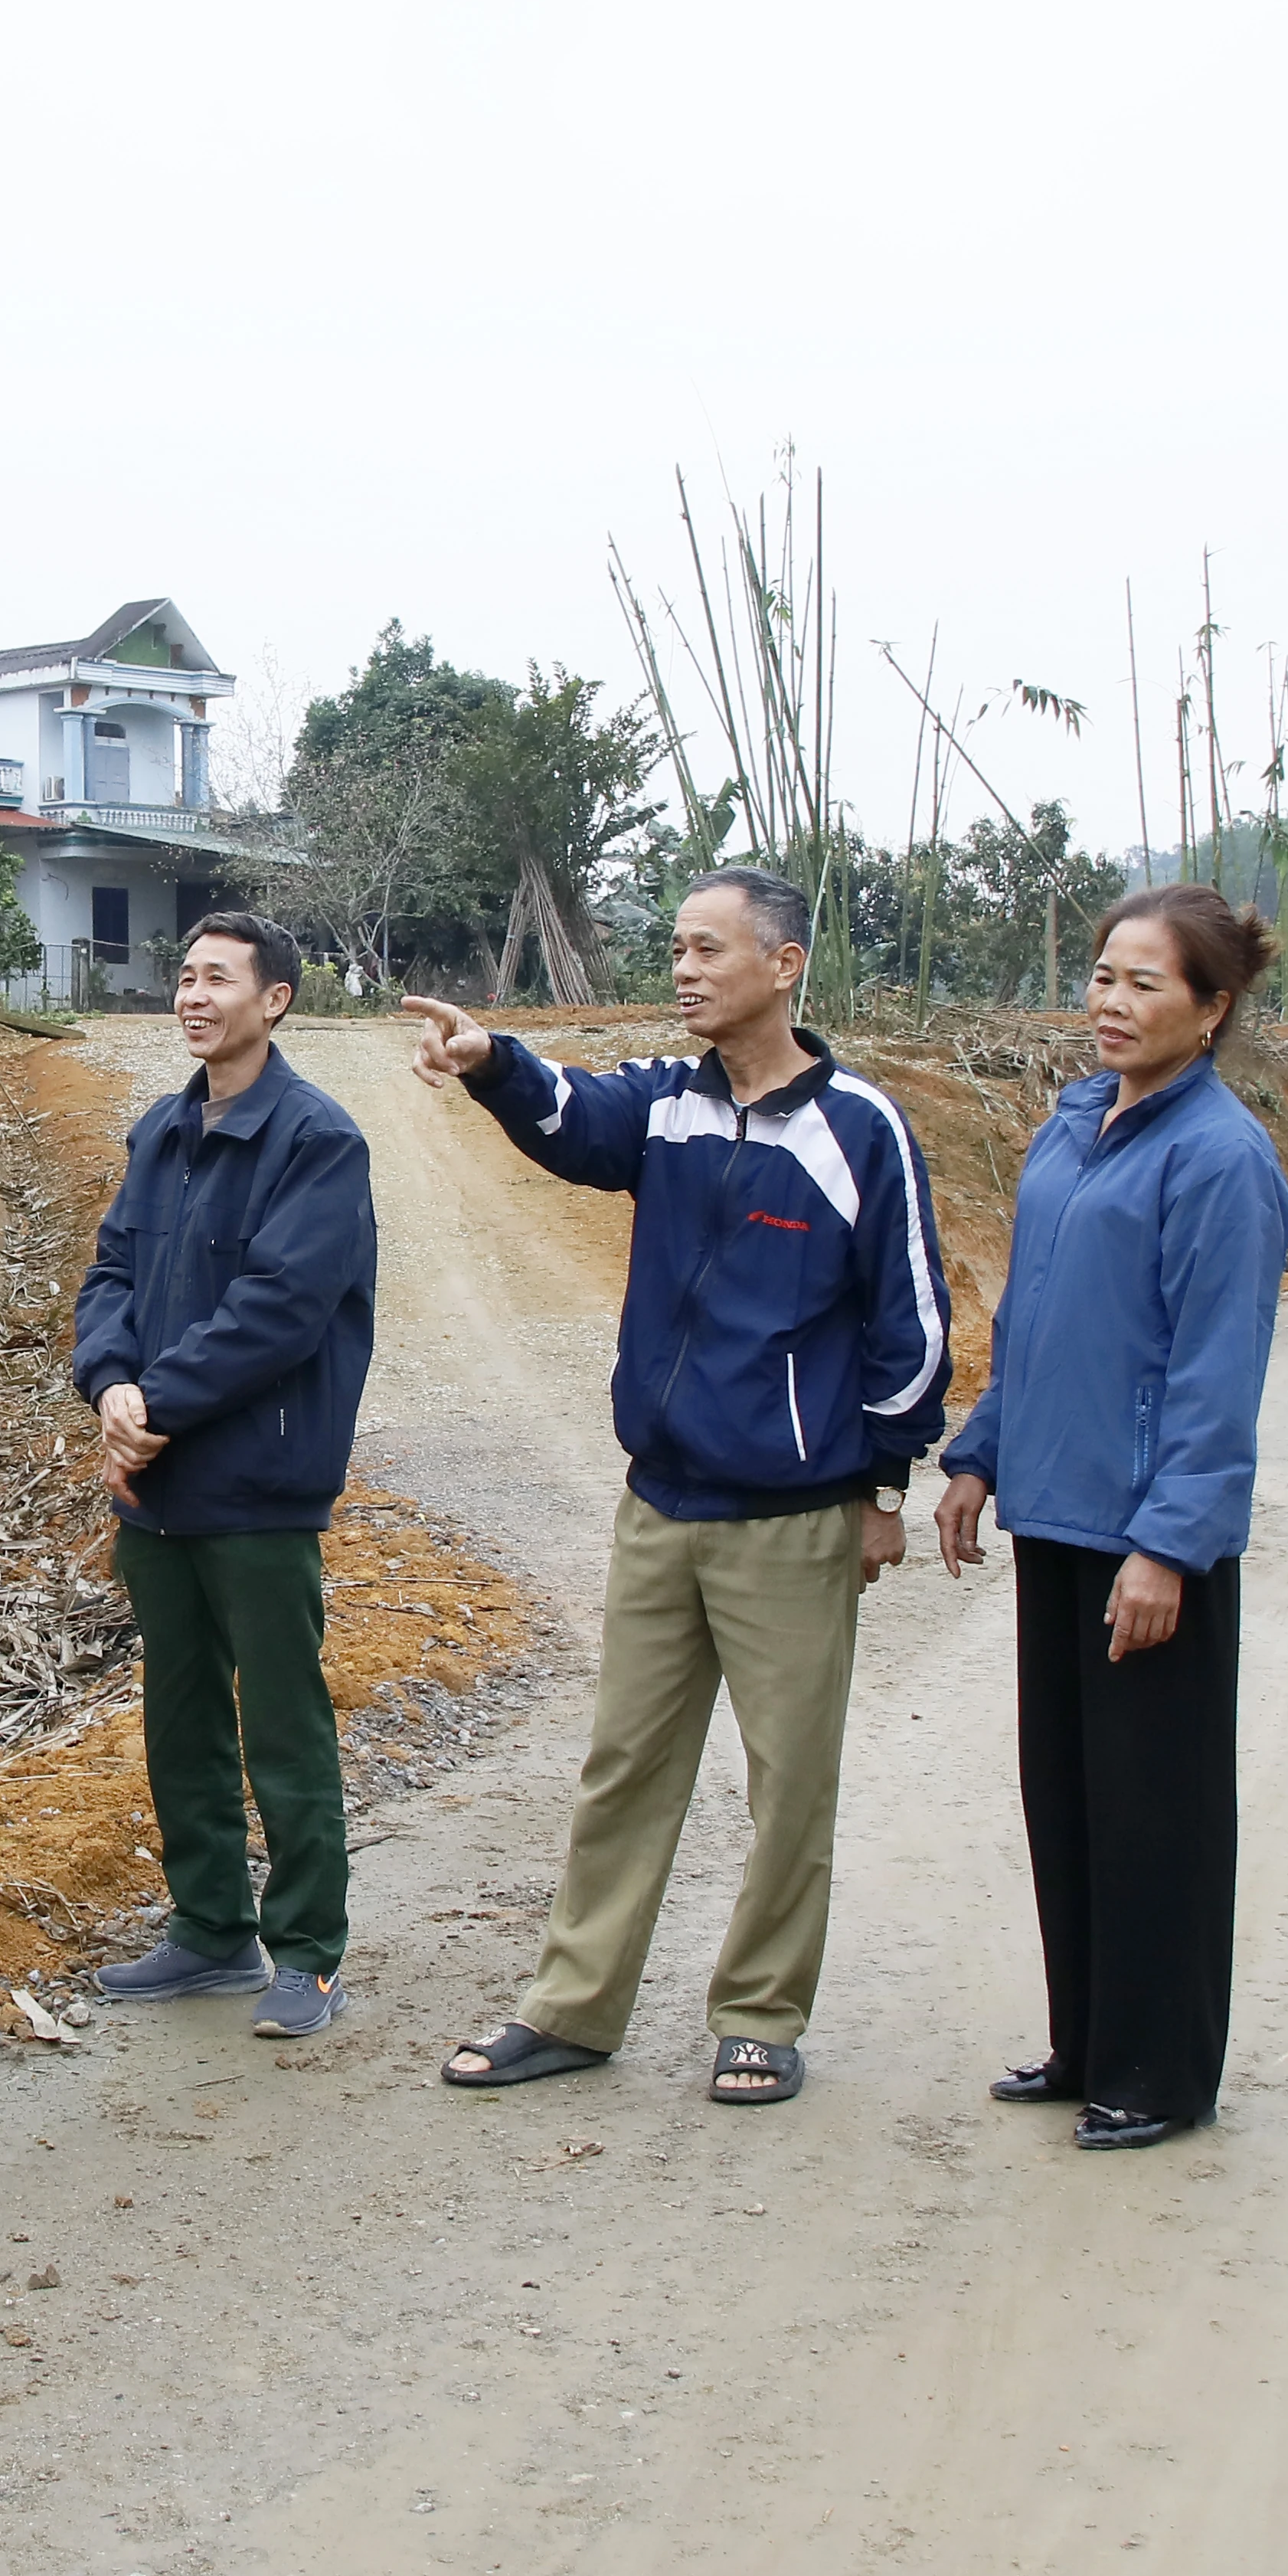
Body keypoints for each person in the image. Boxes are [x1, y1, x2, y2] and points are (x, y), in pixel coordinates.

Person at [404, 867, 952, 2106]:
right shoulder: (669, 1106)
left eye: (710, 949)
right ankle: (575, 2006)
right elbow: (574, 1119)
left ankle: (759, 2012)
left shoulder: (857, 1126)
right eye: (677, 950)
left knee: (787, 1780)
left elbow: (911, 1327)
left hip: (794, 1517)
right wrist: (496, 1061)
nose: (686, 969)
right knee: (625, 1767)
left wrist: (881, 1483)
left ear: (786, 962)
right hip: (661, 1504)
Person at [933, 884, 1288, 2152]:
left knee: (1160, 1811)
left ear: (1212, 1010)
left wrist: (1170, 1544)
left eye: (1147, 984)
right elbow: (1032, 1321)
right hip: (1057, 1517)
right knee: (1071, 1796)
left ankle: (1161, 2072)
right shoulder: (1076, 1125)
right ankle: (1086, 2042)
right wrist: (980, 1452)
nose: (1113, 1002)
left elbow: (1214, 1367)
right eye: (1102, 976)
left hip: (1147, 1538)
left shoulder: (1221, 1157)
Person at [75, 911, 381, 2041]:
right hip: (154, 1482)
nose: (193, 995)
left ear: (277, 1001)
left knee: (283, 1718)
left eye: (218, 980)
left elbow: (283, 1311)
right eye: (185, 977)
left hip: (257, 1482)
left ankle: (306, 1951)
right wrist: (109, 1385)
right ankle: (208, 1928)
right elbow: (110, 1271)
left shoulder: (318, 1142)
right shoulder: (160, 1130)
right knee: (181, 1708)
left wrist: (157, 1401)